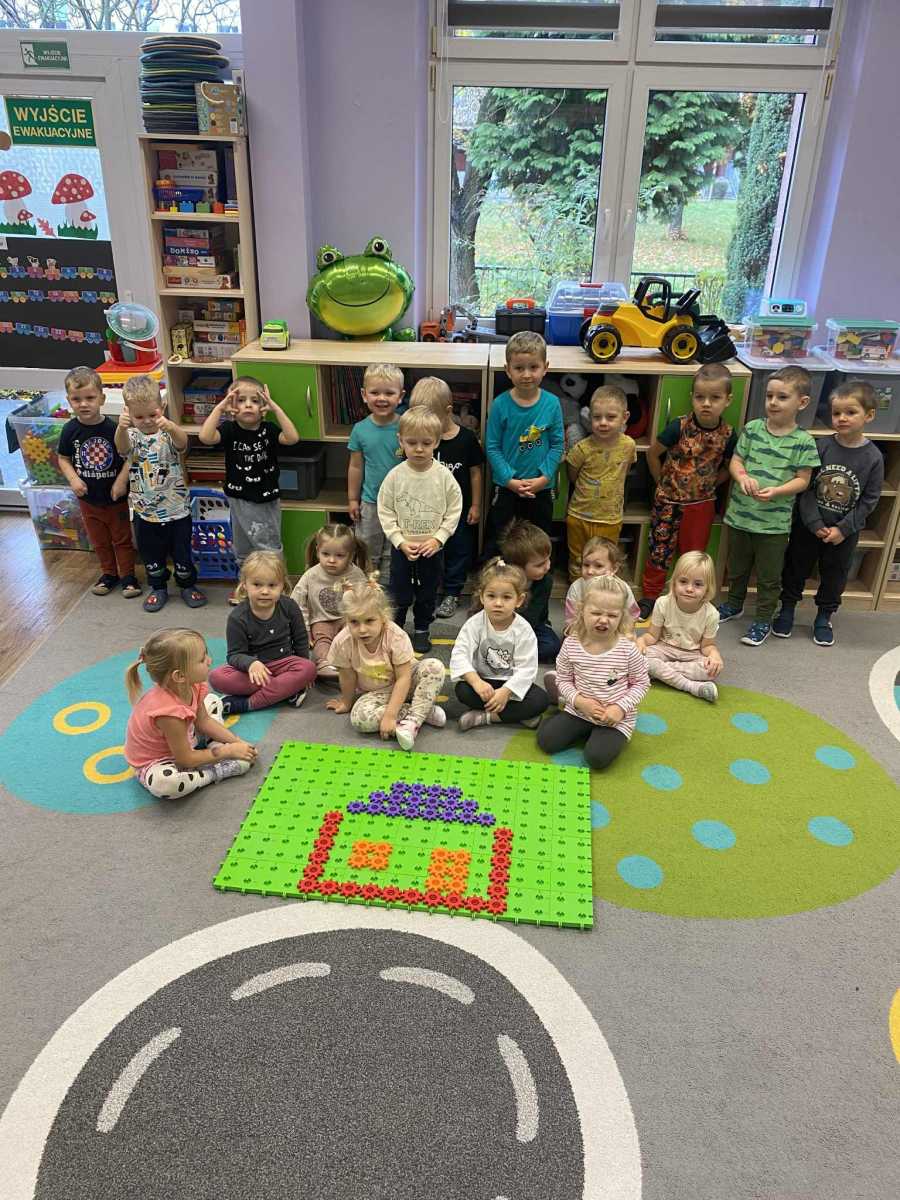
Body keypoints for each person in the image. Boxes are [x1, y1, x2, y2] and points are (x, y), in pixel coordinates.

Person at [773, 379, 884, 646]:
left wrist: (843, 529)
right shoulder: (820, 446)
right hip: (809, 526)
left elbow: (870, 499)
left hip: (844, 532)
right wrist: (813, 522)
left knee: (835, 575)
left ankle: (824, 616)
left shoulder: (874, 457)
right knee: (795, 568)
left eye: (850, 412)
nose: (842, 418)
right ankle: (787, 608)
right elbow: (806, 488)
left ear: (869, 415)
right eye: (836, 413)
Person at [719, 365, 820, 647]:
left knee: (768, 577)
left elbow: (803, 480)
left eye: (782, 397)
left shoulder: (803, 441)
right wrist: (742, 477)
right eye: (769, 396)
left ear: (802, 402)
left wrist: (777, 491)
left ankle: (763, 618)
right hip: (740, 517)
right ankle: (734, 603)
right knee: (736, 568)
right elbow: (736, 461)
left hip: (773, 526)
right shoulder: (752, 429)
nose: (773, 402)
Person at [638, 362, 737, 619]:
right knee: (659, 550)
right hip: (668, 501)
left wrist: (711, 484)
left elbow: (730, 467)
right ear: (692, 397)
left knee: (692, 556)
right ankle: (650, 597)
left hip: (701, 505)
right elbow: (652, 454)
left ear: (728, 400)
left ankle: (685, 600)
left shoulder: (728, 434)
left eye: (715, 398)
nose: (706, 404)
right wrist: (661, 482)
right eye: (700, 397)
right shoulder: (679, 427)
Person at [197, 375, 300, 603]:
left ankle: (277, 585)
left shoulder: (268, 430)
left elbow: (292, 438)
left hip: (264, 499)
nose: (248, 405)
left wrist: (274, 408)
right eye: (241, 400)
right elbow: (205, 437)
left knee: (268, 547)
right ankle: (246, 586)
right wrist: (220, 408)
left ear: (262, 407)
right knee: (242, 548)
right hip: (238, 498)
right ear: (232, 406)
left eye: (254, 400)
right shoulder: (229, 430)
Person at [124, 628, 257, 799]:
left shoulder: (193, 685)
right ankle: (212, 773)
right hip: (159, 760)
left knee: (212, 701)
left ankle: (212, 746)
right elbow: (185, 759)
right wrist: (228, 751)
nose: (209, 660)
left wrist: (237, 742)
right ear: (180, 676)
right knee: (166, 784)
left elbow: (204, 721)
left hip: (185, 736)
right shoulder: (169, 714)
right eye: (202, 660)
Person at [114, 374, 207, 613]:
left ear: (162, 407)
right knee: (151, 555)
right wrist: (121, 427)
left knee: (182, 554)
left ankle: (187, 585)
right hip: (145, 513)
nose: (146, 421)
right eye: (139, 417)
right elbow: (121, 448)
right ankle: (158, 587)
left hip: (177, 511)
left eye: (152, 415)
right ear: (128, 413)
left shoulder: (167, 433)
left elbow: (182, 443)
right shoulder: (131, 435)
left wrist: (171, 426)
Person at [537, 575, 650, 770]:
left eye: (612, 615)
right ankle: (565, 710)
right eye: (596, 612)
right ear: (582, 611)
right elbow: (563, 680)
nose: (603, 620)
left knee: (597, 759)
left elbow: (641, 683)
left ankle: (594, 731)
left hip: (614, 718)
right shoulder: (570, 644)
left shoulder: (628, 650)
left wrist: (620, 708)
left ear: (622, 617)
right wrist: (580, 702)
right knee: (546, 741)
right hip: (579, 710)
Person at [377, 407, 462, 653]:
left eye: (426, 443)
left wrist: (438, 539)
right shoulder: (395, 476)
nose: (419, 449)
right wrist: (399, 541)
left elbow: (454, 509)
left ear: (436, 442)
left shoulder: (443, 476)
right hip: (402, 548)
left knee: (427, 593)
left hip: (432, 549)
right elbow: (385, 510)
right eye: (412, 443)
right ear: (401, 441)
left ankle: (423, 628)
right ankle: (396, 629)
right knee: (399, 593)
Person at [325, 578, 446, 751]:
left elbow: (404, 678)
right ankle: (421, 710)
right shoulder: (343, 642)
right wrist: (346, 702)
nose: (362, 629)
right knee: (359, 719)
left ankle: (414, 720)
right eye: (354, 622)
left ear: (383, 617)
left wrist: (390, 715)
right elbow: (347, 675)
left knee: (435, 667)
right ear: (346, 620)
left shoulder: (395, 636)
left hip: (406, 682)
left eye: (369, 621)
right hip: (377, 693)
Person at [57, 365, 141, 599]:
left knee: (122, 539)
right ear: (69, 401)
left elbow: (130, 457)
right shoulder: (69, 430)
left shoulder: (113, 429)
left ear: (102, 399)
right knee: (99, 540)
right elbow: (63, 458)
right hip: (88, 499)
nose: (84, 404)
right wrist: (74, 479)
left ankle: (128, 576)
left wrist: (121, 482)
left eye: (90, 398)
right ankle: (109, 574)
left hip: (114, 498)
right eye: (77, 399)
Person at [408, 376, 484, 618]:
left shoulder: (466, 439)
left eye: (430, 418)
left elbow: (475, 473)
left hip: (458, 512)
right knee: (430, 552)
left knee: (459, 551)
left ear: (448, 411)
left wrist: (476, 505)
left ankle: (452, 592)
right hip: (427, 512)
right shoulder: (423, 442)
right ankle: (428, 591)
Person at [484, 330, 564, 559]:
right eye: (519, 368)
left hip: (541, 488)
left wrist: (544, 478)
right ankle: (494, 575)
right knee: (500, 539)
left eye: (533, 367)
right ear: (508, 370)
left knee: (538, 541)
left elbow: (557, 445)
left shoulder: (552, 404)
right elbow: (492, 446)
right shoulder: (500, 405)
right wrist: (509, 480)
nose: (527, 374)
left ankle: (537, 577)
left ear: (545, 367)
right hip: (507, 488)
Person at [208, 550, 316, 714]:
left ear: (282, 585)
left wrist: (303, 674)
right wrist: (251, 663)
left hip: (285, 664)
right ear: (245, 584)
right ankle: (287, 690)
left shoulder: (289, 606)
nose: (265, 591)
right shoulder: (237, 617)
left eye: (272, 585)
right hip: (253, 671)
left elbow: (301, 640)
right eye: (257, 585)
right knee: (216, 677)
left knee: (309, 669)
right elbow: (235, 655)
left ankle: (247, 704)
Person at [450, 558, 549, 732]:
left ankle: (486, 717)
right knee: (462, 690)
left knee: (540, 700)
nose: (498, 603)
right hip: (484, 682)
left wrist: (506, 692)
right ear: (482, 597)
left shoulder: (524, 630)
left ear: (519, 600)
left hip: (510, 685)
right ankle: (518, 715)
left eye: (506, 597)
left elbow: (527, 669)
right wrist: (476, 682)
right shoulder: (474, 624)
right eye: (491, 596)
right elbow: (460, 655)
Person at [544, 536, 640, 702]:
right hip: (584, 634)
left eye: (598, 566)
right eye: (586, 565)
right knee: (569, 650)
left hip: (614, 635)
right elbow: (572, 623)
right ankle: (565, 685)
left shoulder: (622, 588)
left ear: (614, 568)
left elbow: (631, 618)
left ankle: (615, 685)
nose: (590, 571)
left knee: (630, 653)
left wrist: (627, 637)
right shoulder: (577, 588)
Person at [564, 383, 636, 581]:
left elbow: (624, 471)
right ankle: (577, 591)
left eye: (611, 417)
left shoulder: (629, 446)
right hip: (579, 515)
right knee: (579, 558)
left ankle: (601, 593)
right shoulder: (582, 448)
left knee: (605, 560)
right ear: (590, 417)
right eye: (597, 417)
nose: (603, 423)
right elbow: (573, 475)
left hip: (610, 518)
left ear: (624, 417)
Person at [638, 551, 723, 702]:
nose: (689, 589)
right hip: (664, 647)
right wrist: (641, 641)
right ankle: (691, 686)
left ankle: (658, 671)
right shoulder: (663, 603)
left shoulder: (712, 614)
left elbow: (707, 646)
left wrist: (714, 655)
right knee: (638, 656)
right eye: (683, 581)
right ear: (674, 582)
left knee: (710, 671)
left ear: (707, 588)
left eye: (698, 584)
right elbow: (652, 636)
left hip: (692, 654)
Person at [347, 363, 405, 584]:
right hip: (371, 502)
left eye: (389, 393)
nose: (382, 398)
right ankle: (365, 588)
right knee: (367, 549)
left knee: (393, 551)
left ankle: (387, 591)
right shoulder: (360, 430)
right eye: (375, 392)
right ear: (364, 395)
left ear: (401, 396)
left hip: (400, 503)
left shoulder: (406, 427)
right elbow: (355, 466)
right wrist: (353, 499)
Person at [290, 523, 369, 678]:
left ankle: (353, 662)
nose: (332, 560)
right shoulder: (311, 575)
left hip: (347, 619)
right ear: (318, 551)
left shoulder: (356, 575)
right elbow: (297, 604)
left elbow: (366, 602)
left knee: (354, 637)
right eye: (326, 554)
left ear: (351, 555)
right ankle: (324, 662)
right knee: (322, 639)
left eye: (340, 556)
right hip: (321, 620)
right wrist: (304, 630)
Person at [499, 519, 560, 662]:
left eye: (548, 559)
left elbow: (532, 619)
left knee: (551, 647)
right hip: (501, 624)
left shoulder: (545, 581)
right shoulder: (500, 577)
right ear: (517, 568)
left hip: (532, 625)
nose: (547, 566)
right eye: (540, 565)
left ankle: (507, 653)